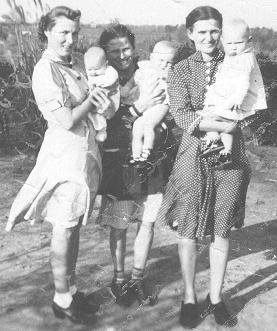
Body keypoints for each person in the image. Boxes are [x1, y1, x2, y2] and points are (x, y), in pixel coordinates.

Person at [5, 6, 113, 324]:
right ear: (47, 32)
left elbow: (93, 104)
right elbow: (65, 120)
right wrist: (92, 101)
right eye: (63, 32)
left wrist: (102, 106)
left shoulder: (76, 64)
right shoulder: (45, 70)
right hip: (64, 156)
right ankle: (61, 297)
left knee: (76, 225)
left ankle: (72, 289)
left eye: (74, 32)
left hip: (85, 154)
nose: (70, 38)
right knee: (64, 228)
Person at [157, 6, 252, 328]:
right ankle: (188, 297)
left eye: (214, 31)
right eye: (202, 32)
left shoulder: (239, 63)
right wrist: (222, 124)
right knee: (189, 226)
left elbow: (252, 106)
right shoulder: (181, 70)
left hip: (230, 156)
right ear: (190, 34)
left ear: (222, 32)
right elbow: (183, 116)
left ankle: (215, 297)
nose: (209, 38)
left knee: (221, 227)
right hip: (193, 154)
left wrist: (231, 126)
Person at [97, 23, 174, 306]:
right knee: (119, 224)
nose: (121, 55)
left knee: (147, 222)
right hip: (119, 162)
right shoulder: (100, 79)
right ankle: (118, 281)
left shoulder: (150, 72)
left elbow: (169, 114)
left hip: (150, 160)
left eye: (126, 48)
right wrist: (138, 109)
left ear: (134, 47)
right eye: (114, 50)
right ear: (105, 52)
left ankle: (138, 279)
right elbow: (105, 126)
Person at [198, 17, 267, 167]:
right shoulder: (233, 55)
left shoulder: (246, 58)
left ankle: (213, 140)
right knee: (223, 124)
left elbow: (244, 80)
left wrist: (237, 98)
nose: (234, 47)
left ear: (249, 40)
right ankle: (225, 150)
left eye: (239, 43)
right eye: (229, 43)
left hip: (235, 100)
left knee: (211, 120)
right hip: (226, 98)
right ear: (222, 40)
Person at [128, 41, 178, 162]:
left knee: (149, 125)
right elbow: (134, 82)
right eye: (161, 60)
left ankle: (147, 149)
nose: (164, 65)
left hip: (162, 104)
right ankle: (136, 154)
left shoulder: (170, 75)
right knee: (137, 126)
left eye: (169, 63)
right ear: (151, 58)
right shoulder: (145, 69)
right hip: (146, 106)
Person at [84, 46, 120, 142]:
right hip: (98, 99)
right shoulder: (91, 73)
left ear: (106, 64)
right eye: (90, 70)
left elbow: (111, 80)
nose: (94, 73)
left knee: (100, 114)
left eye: (97, 69)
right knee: (92, 114)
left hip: (111, 98)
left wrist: (97, 83)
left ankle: (102, 131)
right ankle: (95, 131)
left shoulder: (110, 72)